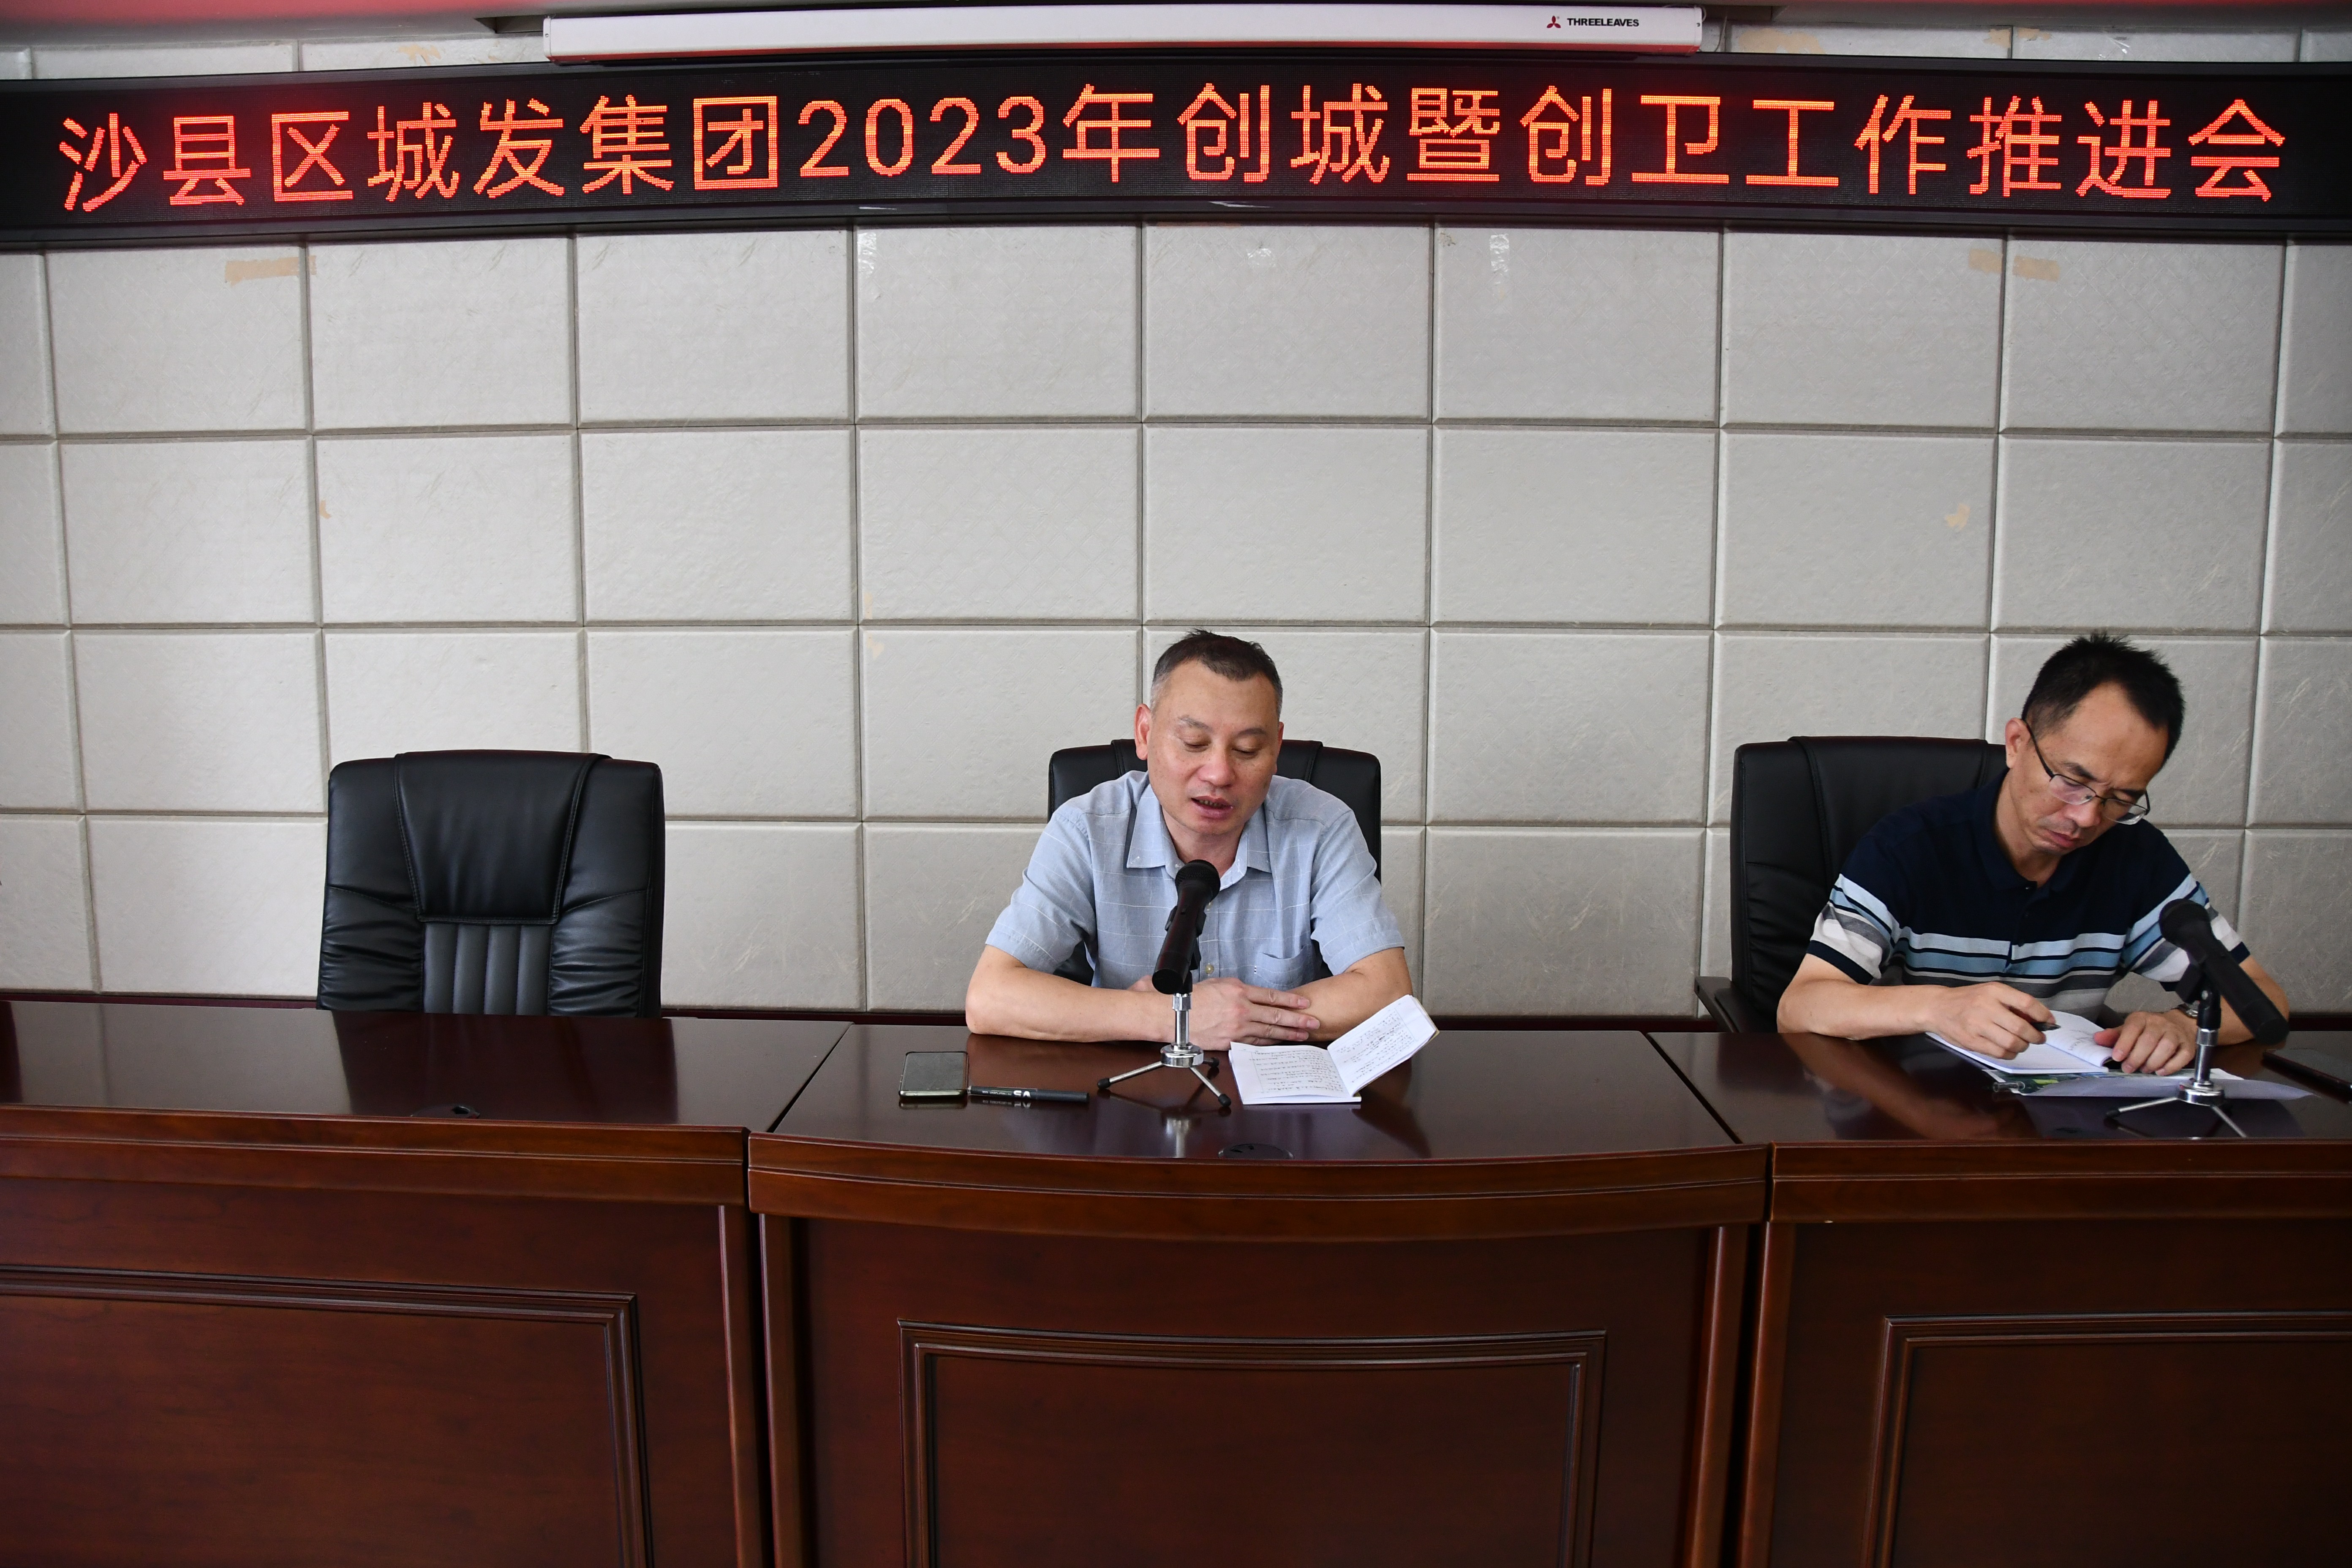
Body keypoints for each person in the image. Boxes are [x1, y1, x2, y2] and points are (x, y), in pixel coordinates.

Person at [1778, 633, 2289, 1074]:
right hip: (1906, 1107)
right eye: (2073, 781)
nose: (2087, 817)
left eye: (2121, 798)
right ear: (2018, 743)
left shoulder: (2134, 858)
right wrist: (1938, 1008)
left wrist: (2183, 1025)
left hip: (2057, 1117)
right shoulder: (1908, 848)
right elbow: (1802, 1004)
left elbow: (2263, 999)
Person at [967, 630, 1410, 1048]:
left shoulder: (1322, 827)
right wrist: (1173, 1018)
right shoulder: (1087, 828)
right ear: (1145, 733)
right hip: (1129, 1090)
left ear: (1276, 748)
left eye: (1247, 750)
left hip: (1275, 1094)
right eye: (1194, 743)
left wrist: (1236, 1018)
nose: (1219, 774)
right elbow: (991, 996)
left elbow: (1387, 992)